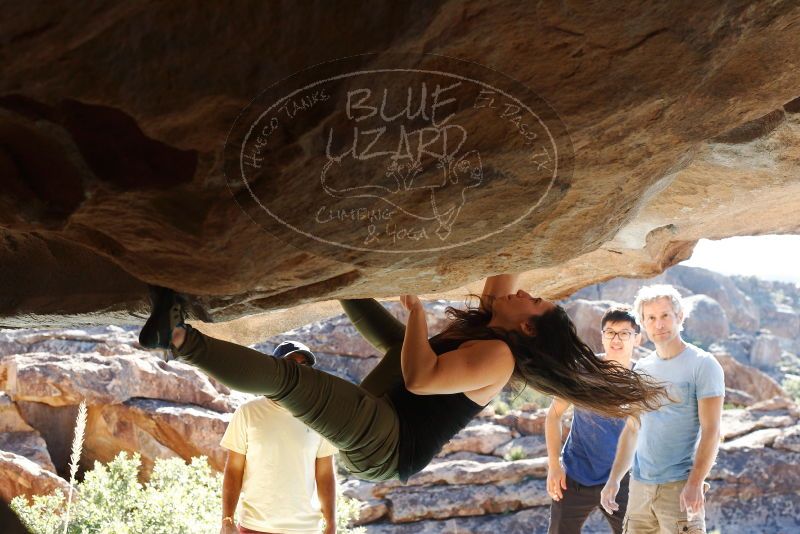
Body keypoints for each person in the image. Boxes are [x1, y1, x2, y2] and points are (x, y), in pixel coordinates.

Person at [139, 275, 667, 483]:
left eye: (532, 299)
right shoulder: (492, 324)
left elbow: (419, 379)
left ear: (527, 325)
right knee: (399, 343)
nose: (522, 291)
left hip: (387, 447)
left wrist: (417, 310)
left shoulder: (500, 359)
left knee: (294, 383)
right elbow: (501, 273)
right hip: (385, 414)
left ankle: (180, 341)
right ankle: (339, 276)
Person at [600, 285, 725, 534]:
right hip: (639, 490)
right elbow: (633, 427)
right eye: (651, 318)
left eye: (665, 315)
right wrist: (614, 478)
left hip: (679, 489)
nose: (659, 324)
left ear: (679, 317)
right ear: (643, 324)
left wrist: (695, 483)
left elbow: (712, 431)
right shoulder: (643, 369)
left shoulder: (703, 365)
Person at [220, 340, 337, 534]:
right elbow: (233, 469)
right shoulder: (248, 412)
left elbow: (325, 474)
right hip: (254, 527)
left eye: (303, 365)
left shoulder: (320, 416)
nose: (298, 370)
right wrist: (227, 519)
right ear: (276, 369)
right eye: (291, 363)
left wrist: (331, 522)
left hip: (305, 529)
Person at [546, 306, 642, 534]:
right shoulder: (582, 370)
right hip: (575, 475)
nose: (616, 339)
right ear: (602, 336)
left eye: (624, 333)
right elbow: (553, 415)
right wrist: (553, 464)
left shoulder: (643, 379)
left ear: (636, 339)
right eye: (610, 332)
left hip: (623, 479)